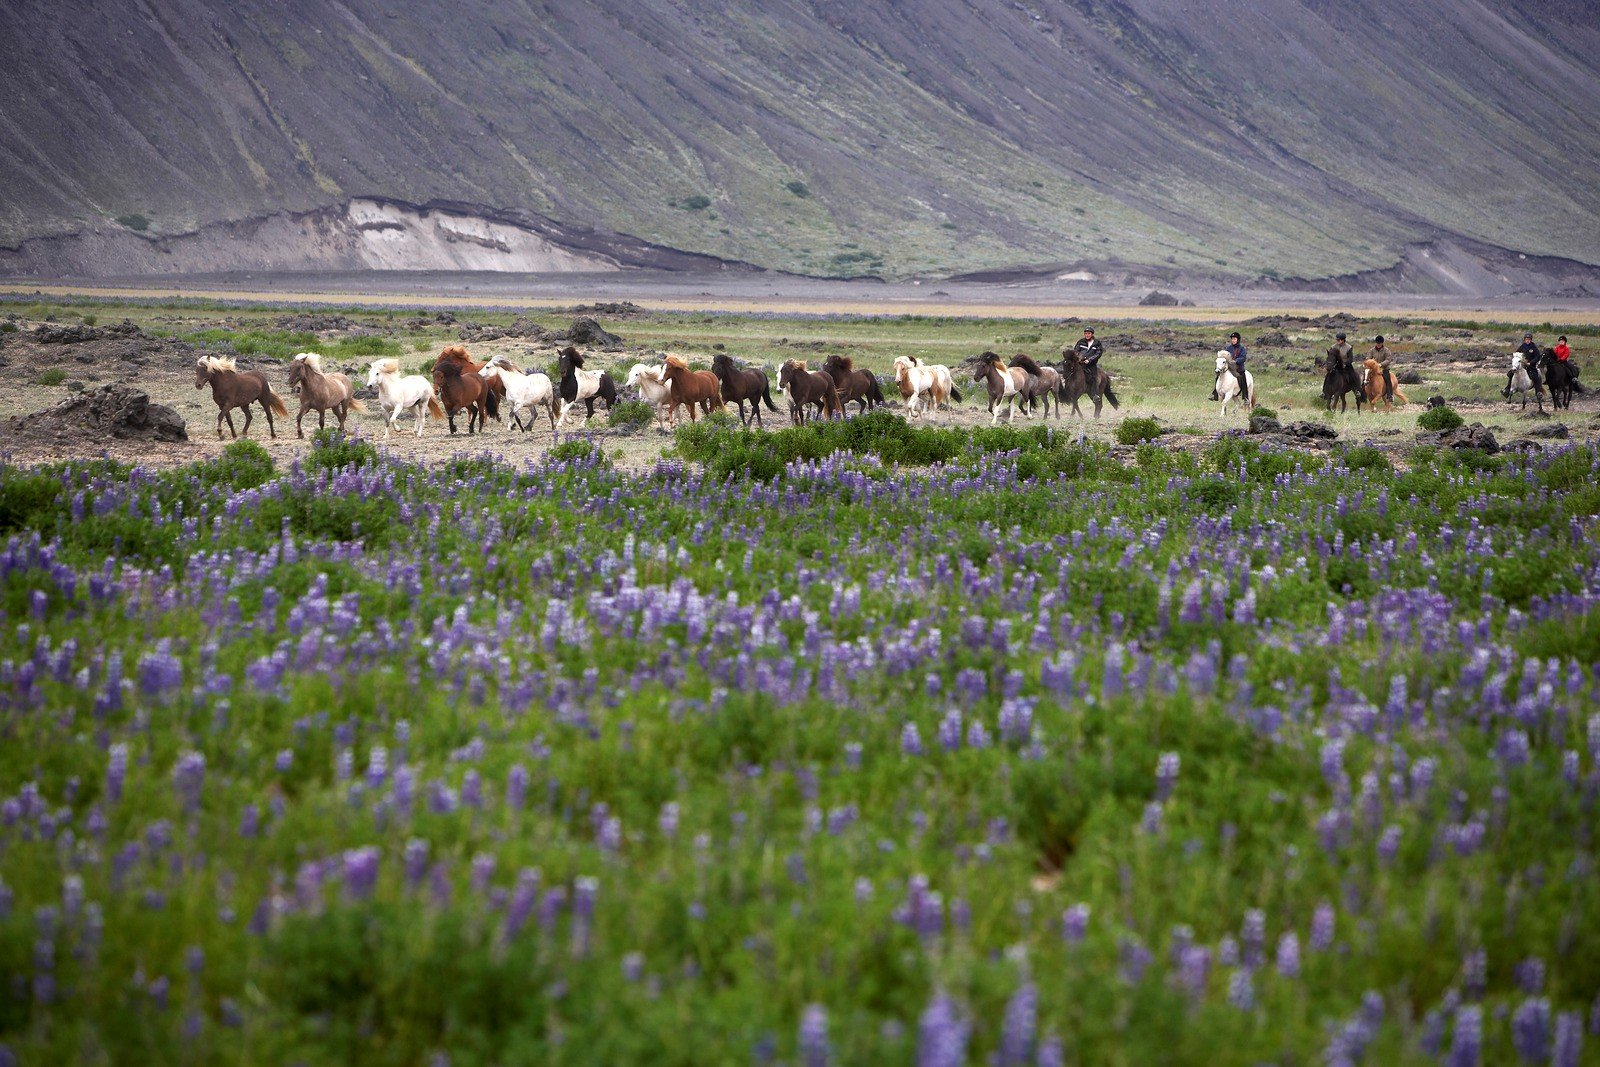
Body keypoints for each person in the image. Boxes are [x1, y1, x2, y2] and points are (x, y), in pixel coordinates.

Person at [1504, 332, 1543, 398]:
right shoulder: (1522, 346)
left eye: (1529, 339)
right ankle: (1507, 389)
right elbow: (1517, 354)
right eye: (1526, 339)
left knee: (1536, 376)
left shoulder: (1533, 347)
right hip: (1522, 365)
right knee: (1510, 374)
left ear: (1531, 340)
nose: (1527, 340)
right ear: (1524, 340)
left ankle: (1538, 392)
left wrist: (1531, 362)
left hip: (1530, 366)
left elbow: (1537, 357)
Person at [1072, 327, 1105, 400]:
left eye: (1089, 333)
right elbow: (1076, 351)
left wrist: (1089, 360)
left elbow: (1098, 353)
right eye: (1086, 333)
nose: (1087, 335)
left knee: (1094, 377)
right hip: (1080, 363)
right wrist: (1079, 358)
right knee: (1069, 371)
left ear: (1092, 334)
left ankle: (1095, 395)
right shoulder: (1081, 342)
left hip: (1091, 364)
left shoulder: (1097, 343)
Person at [1213, 331, 1247, 400]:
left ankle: (1245, 396)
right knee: (1218, 376)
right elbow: (1225, 357)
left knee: (1243, 378)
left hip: (1238, 368)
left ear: (1238, 340)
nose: (1233, 340)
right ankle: (1215, 394)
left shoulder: (1242, 348)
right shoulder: (1228, 348)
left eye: (1234, 339)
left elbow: (1243, 357)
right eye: (1232, 339)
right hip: (1230, 368)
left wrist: (1236, 361)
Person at [1371, 335, 1394, 403]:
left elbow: (1388, 359)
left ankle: (1390, 395)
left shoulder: (1386, 350)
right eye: (1377, 343)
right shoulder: (1372, 350)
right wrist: (1372, 363)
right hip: (1374, 369)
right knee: (1365, 377)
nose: (1378, 345)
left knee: (1387, 379)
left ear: (1382, 343)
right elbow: (1368, 358)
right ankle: (1362, 392)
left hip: (1384, 369)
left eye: (1379, 343)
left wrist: (1381, 364)